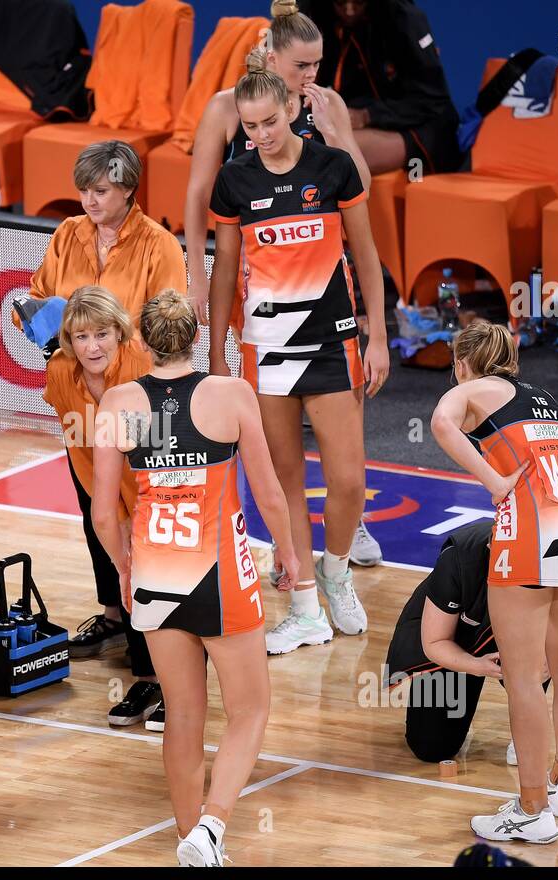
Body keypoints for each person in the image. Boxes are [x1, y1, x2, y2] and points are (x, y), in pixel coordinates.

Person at [92, 290, 300, 866]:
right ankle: (211, 825)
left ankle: (195, 841)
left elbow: (103, 514)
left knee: (182, 715)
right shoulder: (231, 394)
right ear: (198, 339)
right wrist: (288, 555)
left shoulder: (116, 402)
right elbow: (269, 491)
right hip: (218, 574)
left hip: (155, 575)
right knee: (250, 711)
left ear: (139, 343)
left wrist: (126, 568)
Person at [183, 0, 381, 568]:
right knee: (275, 439)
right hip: (260, 286)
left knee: (345, 422)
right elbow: (200, 197)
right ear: (271, 57)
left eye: (318, 65)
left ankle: (352, 523)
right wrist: (196, 276)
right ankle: (285, 548)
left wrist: (335, 130)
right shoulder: (227, 108)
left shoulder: (327, 105)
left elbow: (359, 186)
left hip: (325, 279)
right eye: (301, 66)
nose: (311, 76)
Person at [208, 53, 390, 655]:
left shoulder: (334, 169)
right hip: (266, 350)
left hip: (334, 343)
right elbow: (226, 269)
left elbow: (365, 255)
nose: (259, 135)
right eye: (249, 126)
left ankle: (336, 571)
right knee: (284, 480)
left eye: (269, 122)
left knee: (347, 480)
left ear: (291, 109)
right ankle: (306, 606)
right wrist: (218, 351)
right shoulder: (235, 180)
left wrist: (380, 336)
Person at [26, 141, 187, 714]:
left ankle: (162, 666)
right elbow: (40, 299)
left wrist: (113, 363)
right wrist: (63, 351)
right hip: (75, 398)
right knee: (96, 513)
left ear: (129, 189)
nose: (89, 201)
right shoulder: (68, 234)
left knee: (138, 529)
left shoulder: (159, 245)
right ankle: (118, 620)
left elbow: (169, 321)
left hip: (136, 405)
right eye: (84, 190)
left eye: (102, 191)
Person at [431, 322, 558, 844]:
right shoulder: (544, 399)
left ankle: (532, 811)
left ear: (461, 363)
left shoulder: (470, 388)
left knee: (524, 677)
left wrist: (493, 480)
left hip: (532, 523)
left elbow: (440, 421)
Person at [40, 286, 165, 729]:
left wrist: (144, 508)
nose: (91, 347)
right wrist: (107, 508)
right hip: (103, 488)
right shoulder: (59, 372)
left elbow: (161, 444)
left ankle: (179, 688)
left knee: (164, 583)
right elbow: (77, 443)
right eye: (80, 337)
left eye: (102, 335)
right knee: (124, 575)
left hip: (156, 489)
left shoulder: (142, 366)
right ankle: (148, 679)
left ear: (120, 333)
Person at [385, 519, 558, 764]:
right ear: (490, 548)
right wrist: (476, 665)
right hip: (460, 642)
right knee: (431, 747)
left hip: (530, 644)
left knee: (551, 645)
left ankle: (529, 729)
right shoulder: (458, 559)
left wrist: (552, 663)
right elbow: (434, 641)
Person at [297, 0, 462, 176]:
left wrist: (366, 115)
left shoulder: (405, 19)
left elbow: (433, 99)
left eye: (359, 2)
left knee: (319, 153)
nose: (350, 11)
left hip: (418, 124)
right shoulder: (310, 13)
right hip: (351, 116)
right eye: (339, 3)